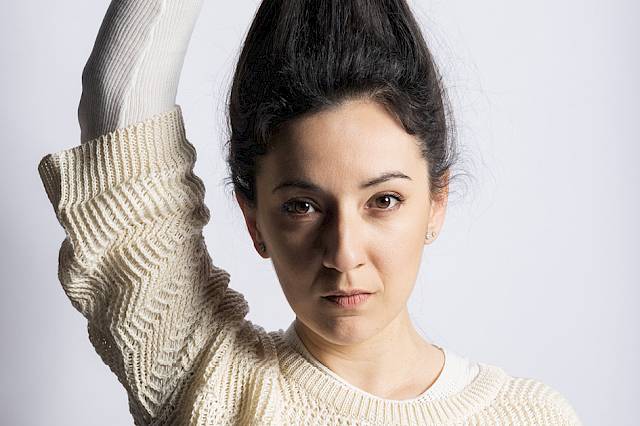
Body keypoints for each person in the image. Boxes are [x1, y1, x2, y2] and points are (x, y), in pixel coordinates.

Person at [37, 0, 582, 424]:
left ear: (436, 201)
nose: (344, 253)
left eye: (383, 201)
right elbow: (119, 99)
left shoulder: (530, 417)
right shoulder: (213, 388)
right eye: (302, 206)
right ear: (254, 221)